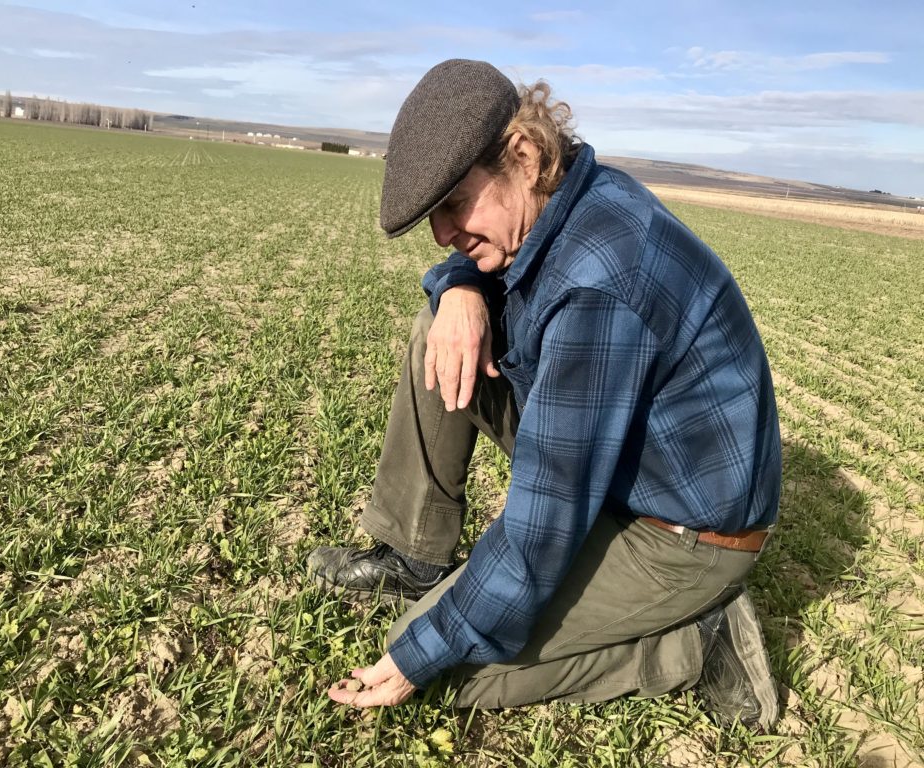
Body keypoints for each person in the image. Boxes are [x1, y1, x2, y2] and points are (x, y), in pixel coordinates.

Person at [308, 59, 781, 729]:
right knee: (442, 328)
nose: (443, 233)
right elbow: (476, 263)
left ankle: (692, 641)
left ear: (524, 156)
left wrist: (425, 649)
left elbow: (544, 524)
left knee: (450, 662)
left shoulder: (601, 278)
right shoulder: (562, 203)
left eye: (452, 203)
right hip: (626, 473)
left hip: (685, 534)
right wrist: (461, 288)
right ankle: (414, 552)